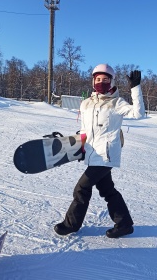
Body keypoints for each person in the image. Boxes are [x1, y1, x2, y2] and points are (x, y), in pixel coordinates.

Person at [54, 63, 145, 238]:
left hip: (106, 154)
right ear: (93, 81)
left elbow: (138, 114)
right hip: (92, 153)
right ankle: (124, 224)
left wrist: (135, 88)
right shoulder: (86, 104)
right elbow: (85, 129)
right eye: (98, 79)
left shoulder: (117, 103)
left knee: (82, 188)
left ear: (111, 82)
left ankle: (71, 224)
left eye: (105, 79)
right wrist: (78, 146)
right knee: (107, 190)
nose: (101, 82)